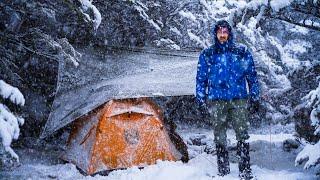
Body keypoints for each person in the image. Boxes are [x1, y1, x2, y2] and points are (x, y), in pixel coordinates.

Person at [195, 20, 260, 179]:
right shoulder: (208, 54)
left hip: (238, 99)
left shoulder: (241, 51)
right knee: (219, 135)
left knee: (242, 134)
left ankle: (245, 171)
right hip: (217, 100)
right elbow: (201, 78)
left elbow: (252, 75)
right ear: (215, 34)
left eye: (225, 32)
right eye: (219, 32)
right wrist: (200, 99)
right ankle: (223, 171)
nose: (222, 35)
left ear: (229, 33)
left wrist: (255, 96)